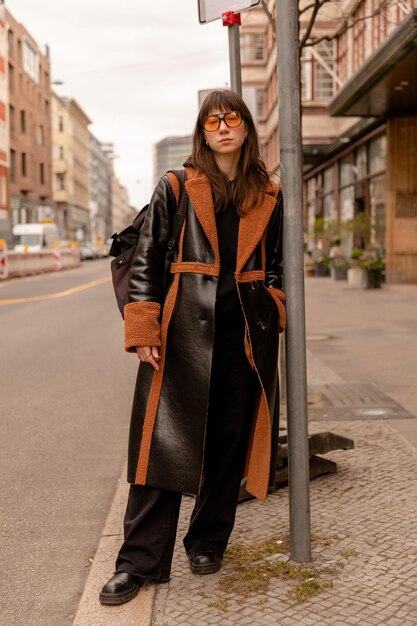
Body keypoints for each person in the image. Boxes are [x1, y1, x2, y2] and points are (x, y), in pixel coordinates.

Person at [99, 89, 286, 605]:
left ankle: (207, 541)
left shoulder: (268, 193)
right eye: (212, 121)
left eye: (232, 119)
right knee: (157, 450)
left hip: (243, 338)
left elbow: (278, 265)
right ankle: (138, 563)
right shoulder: (177, 185)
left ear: (246, 128)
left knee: (227, 443)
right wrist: (143, 330)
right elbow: (147, 259)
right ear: (203, 131)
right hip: (179, 337)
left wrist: (274, 304)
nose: (223, 127)